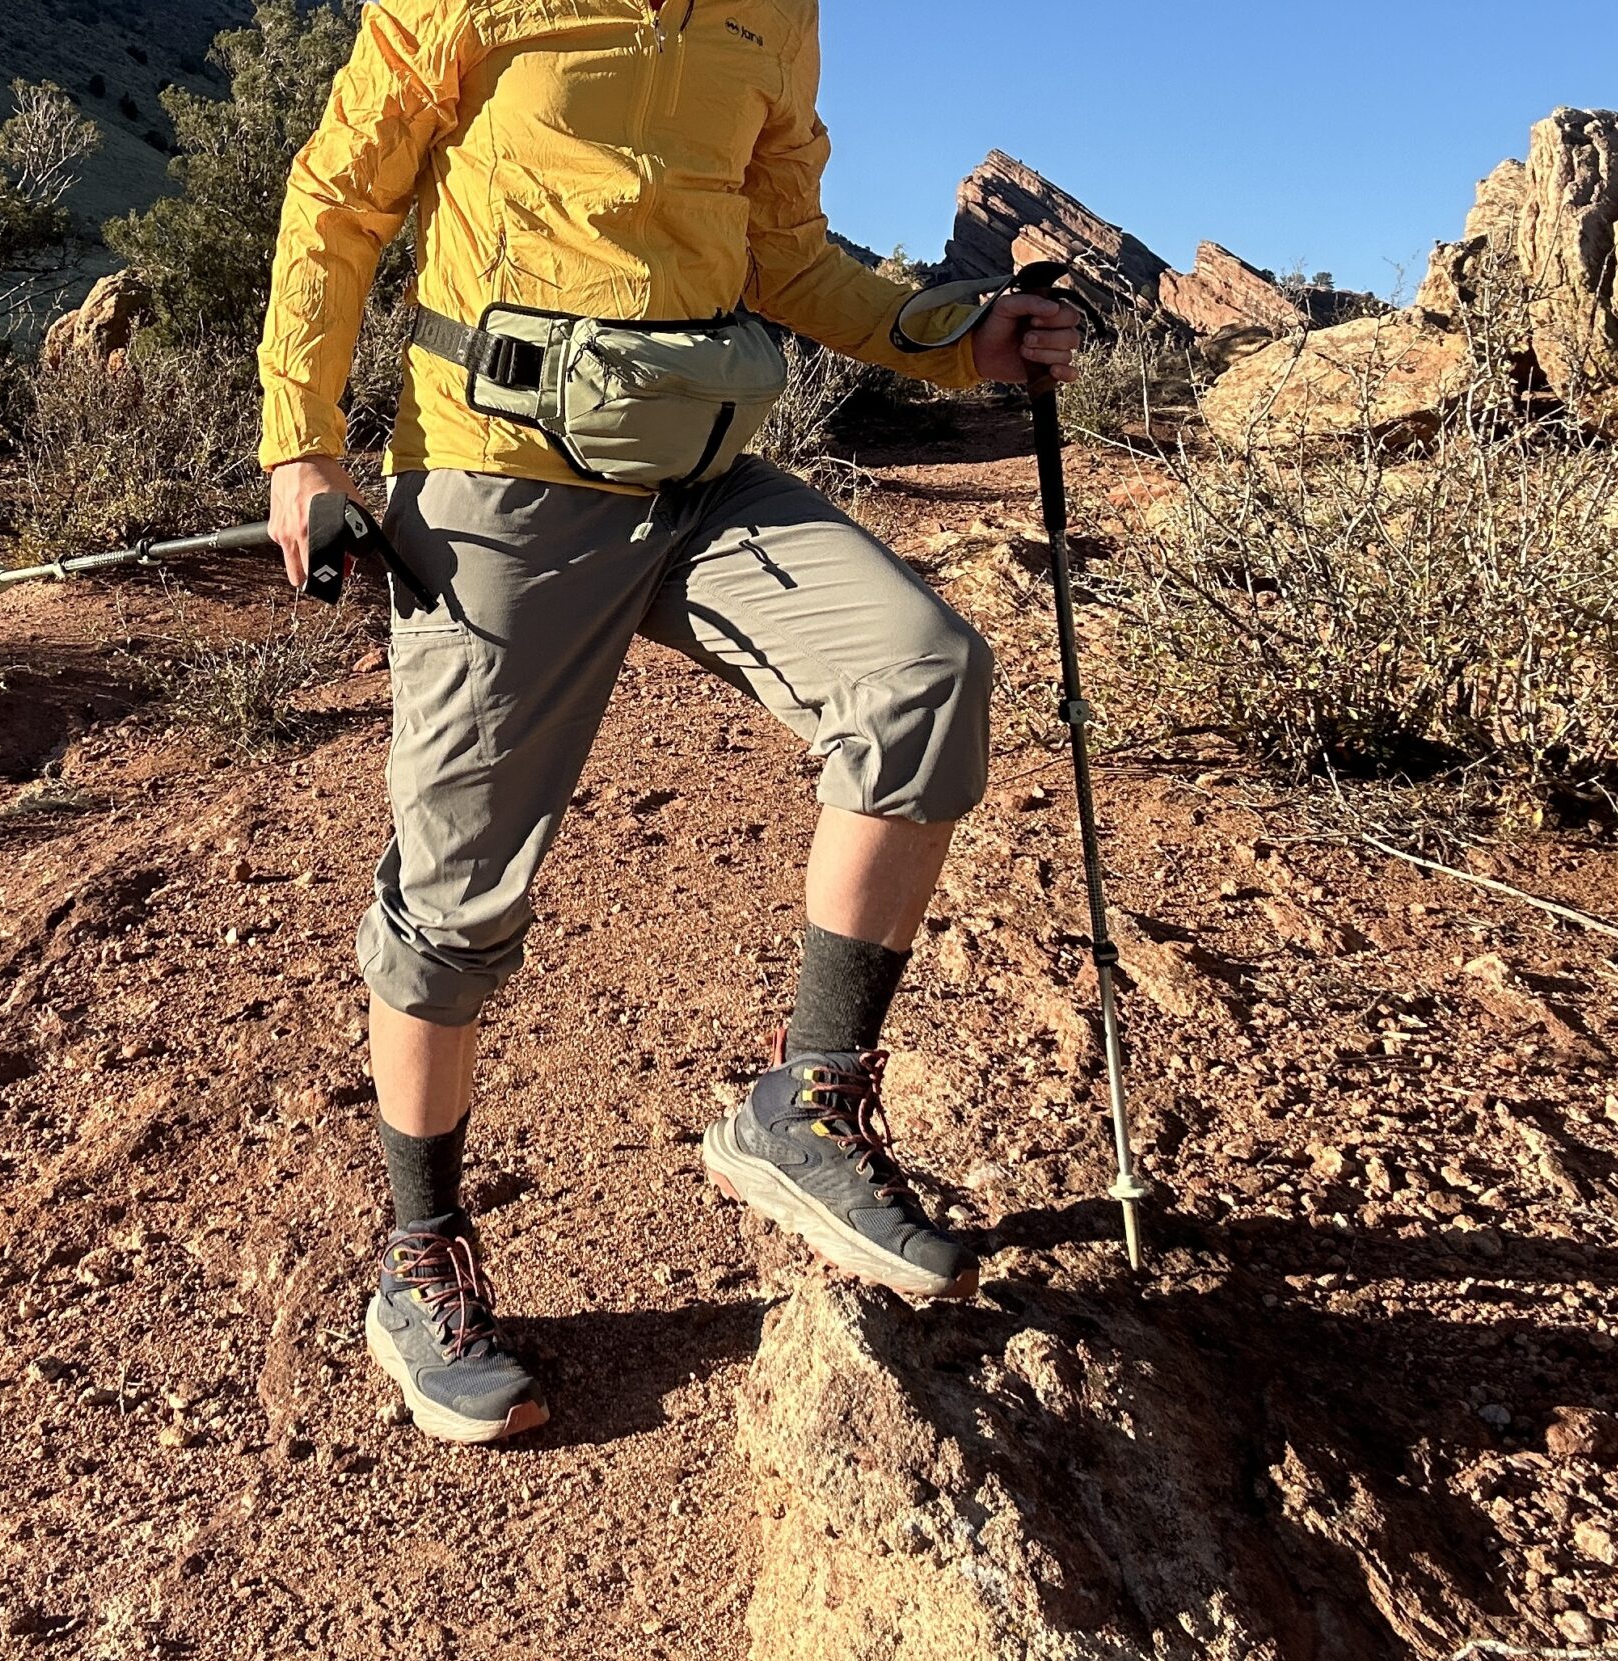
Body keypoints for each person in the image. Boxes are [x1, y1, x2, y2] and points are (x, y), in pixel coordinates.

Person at [258, 0, 1083, 1445]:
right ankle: (417, 1256)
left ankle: (807, 1104)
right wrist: (302, 446)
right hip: (498, 483)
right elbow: (340, 194)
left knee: (920, 674)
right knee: (454, 900)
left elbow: (785, 252)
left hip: (703, 481)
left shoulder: (776, 14)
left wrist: (959, 341)